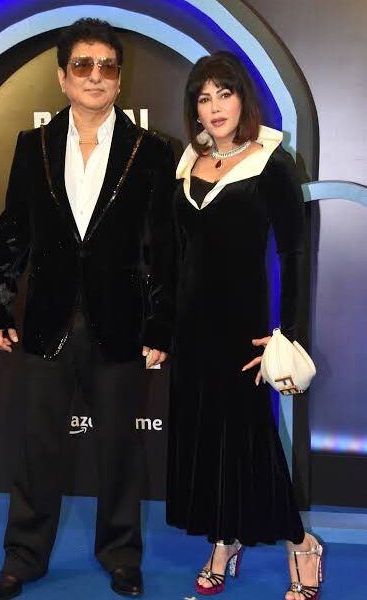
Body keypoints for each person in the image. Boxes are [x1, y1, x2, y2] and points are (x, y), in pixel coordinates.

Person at [0, 18, 175, 600]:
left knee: (119, 451)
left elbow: (163, 246)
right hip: (47, 321)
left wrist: (161, 322)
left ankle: (121, 556)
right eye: (83, 65)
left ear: (119, 79)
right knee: (37, 448)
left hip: (121, 324)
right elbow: (13, 231)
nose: (95, 76)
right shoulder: (32, 146)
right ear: (63, 77)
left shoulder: (151, 151)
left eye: (107, 66)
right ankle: (22, 559)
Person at [166, 51, 323, 600]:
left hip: (244, 330)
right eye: (203, 98)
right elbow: (177, 251)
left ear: (243, 99)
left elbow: (294, 252)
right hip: (192, 329)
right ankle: (224, 537)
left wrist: (288, 335)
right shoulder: (189, 160)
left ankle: (302, 543)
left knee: (252, 442)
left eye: (224, 94)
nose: (214, 107)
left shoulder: (274, 162)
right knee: (207, 441)